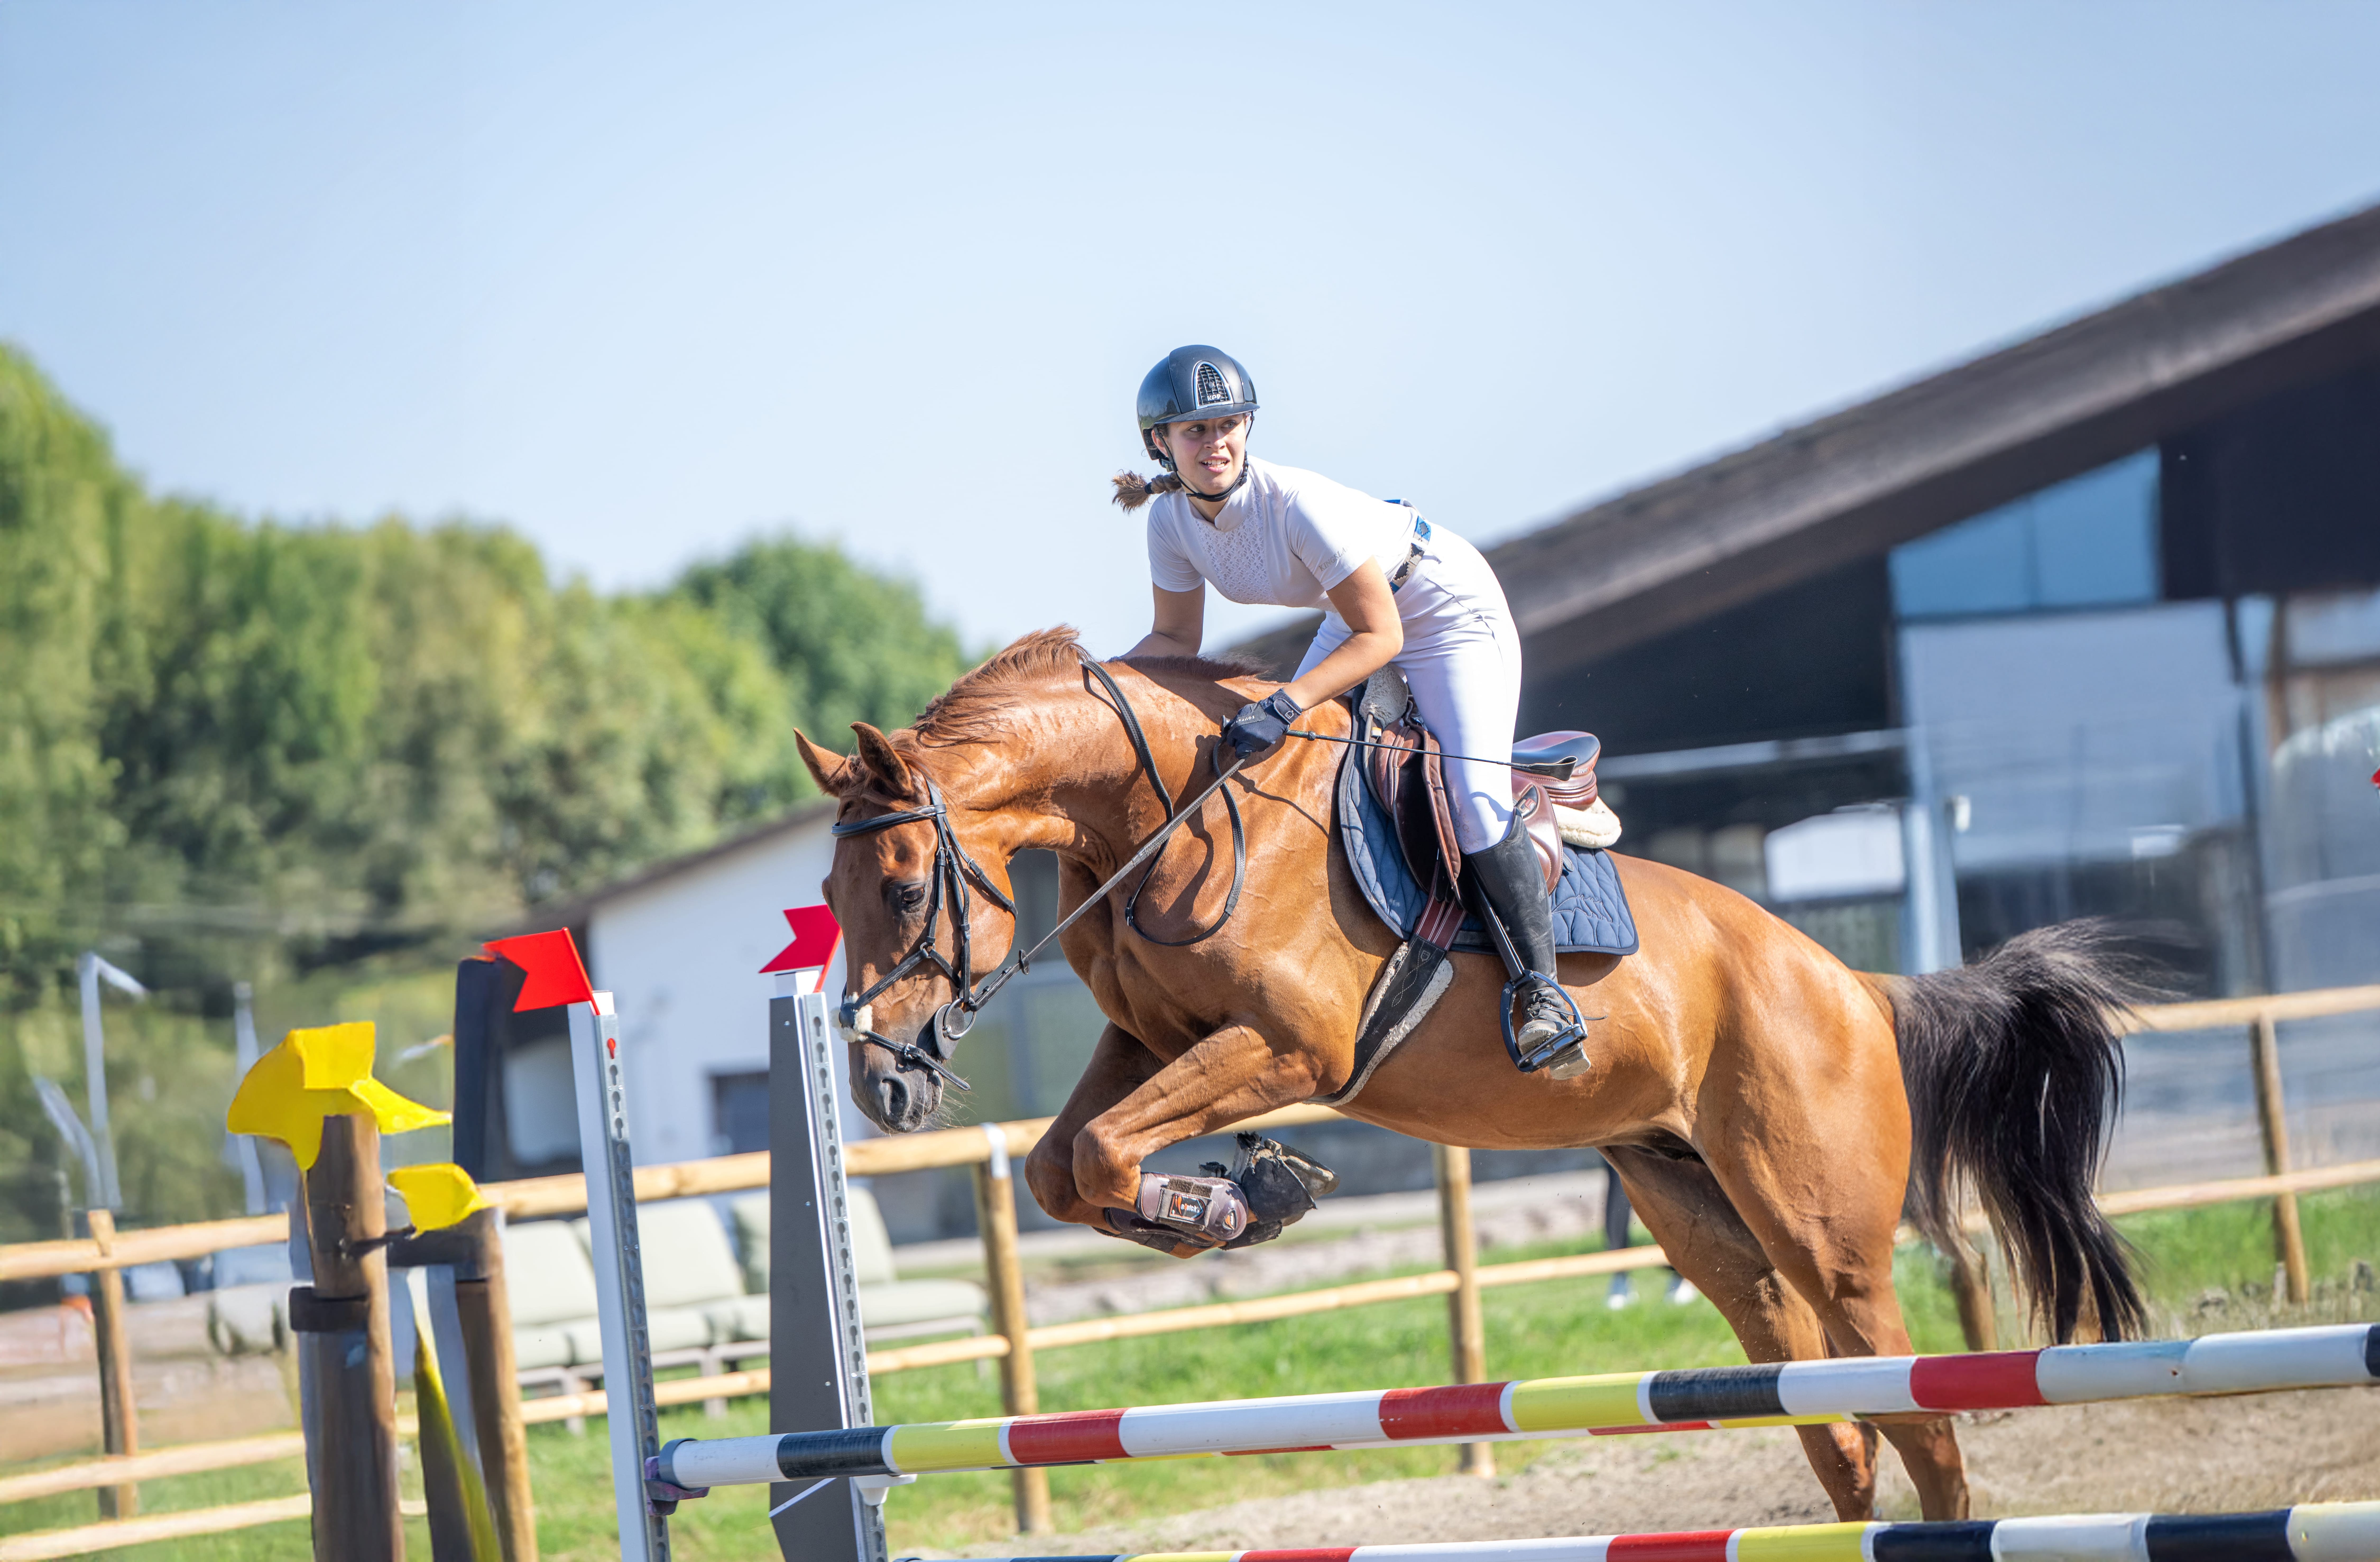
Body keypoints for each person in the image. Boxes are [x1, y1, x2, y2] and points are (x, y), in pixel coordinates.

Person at [1115, 344, 1585, 1076]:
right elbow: (1175, 640)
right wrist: (1098, 688)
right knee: (1288, 765)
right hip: (1359, 615)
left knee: (1471, 796)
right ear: (1160, 443)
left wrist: (1286, 702)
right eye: (1196, 431)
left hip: (1443, 610)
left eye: (1229, 424)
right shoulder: (1170, 521)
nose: (1216, 444)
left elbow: (1384, 637)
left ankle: (1543, 992)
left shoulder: (1296, 503)